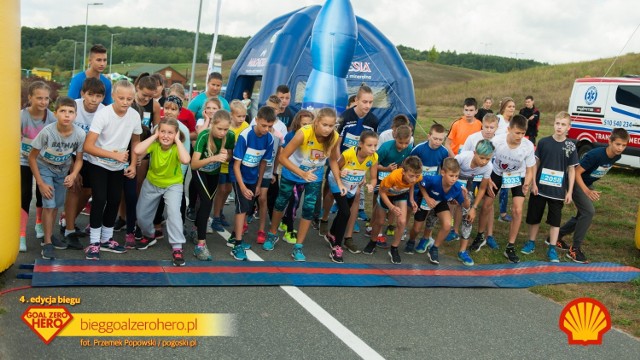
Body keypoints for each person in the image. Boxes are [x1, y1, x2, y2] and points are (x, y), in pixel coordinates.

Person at [266, 108, 342, 262]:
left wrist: (339, 181)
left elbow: (333, 160)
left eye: (331, 126)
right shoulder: (304, 133)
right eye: (325, 125)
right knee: (281, 202)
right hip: (292, 171)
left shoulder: (334, 137)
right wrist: (302, 174)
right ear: (317, 122)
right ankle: (272, 234)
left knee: (308, 208)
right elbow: (283, 157)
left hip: (314, 175)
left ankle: (298, 247)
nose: (328, 129)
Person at [82, 80, 142, 260]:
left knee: (115, 199)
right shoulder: (103, 115)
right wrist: (112, 155)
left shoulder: (134, 115)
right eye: (121, 98)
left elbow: (135, 141)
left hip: (118, 166)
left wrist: (132, 164)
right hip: (98, 163)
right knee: (100, 199)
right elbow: (88, 146)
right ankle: (94, 242)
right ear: (113, 96)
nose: (125, 102)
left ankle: (107, 239)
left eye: (129, 99)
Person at [558, 128, 629, 263]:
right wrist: (587, 191)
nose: (620, 148)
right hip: (573, 181)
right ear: (610, 141)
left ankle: (556, 237)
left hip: (585, 182)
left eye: (624, 145)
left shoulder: (617, 156)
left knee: (582, 214)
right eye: (618, 144)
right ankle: (575, 249)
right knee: (589, 212)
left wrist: (589, 187)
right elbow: (576, 172)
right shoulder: (595, 155)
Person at [28, 97, 86, 259]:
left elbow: (79, 159)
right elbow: (32, 157)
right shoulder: (47, 132)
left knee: (56, 206)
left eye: (71, 112)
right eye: (63, 111)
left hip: (63, 171)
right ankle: (47, 243)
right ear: (55, 113)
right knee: (49, 204)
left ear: (75, 115)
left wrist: (73, 175)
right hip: (45, 168)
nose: (67, 115)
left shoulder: (80, 134)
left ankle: (49, 236)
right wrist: (40, 183)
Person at [133, 118, 190, 266]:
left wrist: (177, 140)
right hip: (152, 182)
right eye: (162, 131)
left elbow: (185, 160)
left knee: (173, 212)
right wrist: (154, 135)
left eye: (170, 133)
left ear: (176, 134)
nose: (165, 136)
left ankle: (177, 247)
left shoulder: (177, 147)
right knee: (141, 214)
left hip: (173, 185)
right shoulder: (155, 144)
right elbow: (137, 150)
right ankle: (149, 234)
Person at [522, 111, 578, 262]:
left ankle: (552, 248)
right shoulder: (544, 142)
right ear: (554, 124)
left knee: (555, 221)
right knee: (534, 217)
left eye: (563, 124)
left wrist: (570, 191)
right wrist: (533, 182)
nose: (559, 127)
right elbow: (536, 164)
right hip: (539, 189)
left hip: (557, 191)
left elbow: (572, 170)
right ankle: (530, 242)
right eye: (557, 123)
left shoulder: (571, 146)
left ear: (569, 127)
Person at [485, 115, 536, 263]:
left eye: (523, 133)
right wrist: (487, 178)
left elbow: (531, 169)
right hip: (497, 172)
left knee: (517, 210)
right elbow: (486, 159)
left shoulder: (527, 146)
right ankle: (485, 236)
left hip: (516, 175)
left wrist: (527, 182)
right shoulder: (497, 141)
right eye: (517, 133)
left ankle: (510, 246)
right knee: (487, 204)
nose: (520, 136)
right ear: (508, 130)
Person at [62, 78, 106, 250]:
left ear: (102, 97)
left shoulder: (104, 111)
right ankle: (69, 231)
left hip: (92, 157)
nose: (94, 99)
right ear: (82, 94)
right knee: (74, 187)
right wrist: (73, 168)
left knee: (87, 191)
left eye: (98, 96)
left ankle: (68, 222)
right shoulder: (74, 108)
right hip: (71, 154)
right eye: (90, 95)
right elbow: (64, 135)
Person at [229, 106, 276, 260]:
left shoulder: (269, 139)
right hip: (239, 177)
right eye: (263, 125)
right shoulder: (245, 136)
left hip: (253, 177)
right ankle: (237, 244)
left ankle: (233, 236)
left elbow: (263, 163)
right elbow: (236, 165)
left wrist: (258, 184)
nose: (266, 129)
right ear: (256, 120)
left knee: (248, 207)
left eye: (270, 126)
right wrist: (242, 187)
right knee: (242, 206)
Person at [324, 131, 378, 262]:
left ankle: (331, 234)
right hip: (338, 182)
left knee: (344, 212)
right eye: (369, 145)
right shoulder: (348, 153)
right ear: (360, 144)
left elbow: (374, 177)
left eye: (375, 145)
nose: (373, 149)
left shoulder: (374, 157)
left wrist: (371, 185)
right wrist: (342, 173)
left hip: (352, 185)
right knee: (345, 212)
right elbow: (336, 167)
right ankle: (336, 247)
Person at [362, 156, 423, 264]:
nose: (414, 178)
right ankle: (373, 241)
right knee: (380, 221)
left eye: (416, 176)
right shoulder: (394, 177)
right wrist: (391, 207)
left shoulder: (417, 176)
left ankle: (394, 248)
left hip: (401, 194)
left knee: (402, 221)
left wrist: (412, 199)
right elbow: (382, 192)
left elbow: (412, 184)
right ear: (403, 172)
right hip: (386, 194)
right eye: (411, 176)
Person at [20, 81, 56, 252]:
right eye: (39, 98)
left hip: (43, 161)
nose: (43, 102)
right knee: (25, 194)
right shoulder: (22, 116)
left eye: (46, 98)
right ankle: (21, 235)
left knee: (43, 193)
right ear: (30, 98)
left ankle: (39, 224)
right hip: (23, 160)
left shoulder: (51, 118)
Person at [404, 123, 451, 254]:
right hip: (415, 185)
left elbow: (444, 170)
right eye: (435, 138)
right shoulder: (419, 149)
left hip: (431, 189)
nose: (437, 141)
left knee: (430, 215)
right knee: (410, 208)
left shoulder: (444, 152)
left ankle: (425, 238)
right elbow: (408, 164)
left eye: (441, 139)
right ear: (429, 136)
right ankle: (406, 233)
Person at [363, 125, 413, 247]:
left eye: (406, 143)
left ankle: (377, 227)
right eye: (400, 143)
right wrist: (386, 168)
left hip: (395, 179)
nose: (403, 146)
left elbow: (404, 164)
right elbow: (373, 164)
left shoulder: (408, 148)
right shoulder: (386, 147)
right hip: (381, 178)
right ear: (395, 137)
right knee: (380, 205)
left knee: (391, 204)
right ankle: (376, 231)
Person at [416, 158, 472, 265]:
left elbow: (465, 206)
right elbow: (420, 181)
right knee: (417, 227)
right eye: (451, 176)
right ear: (443, 172)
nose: (454, 179)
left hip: (441, 202)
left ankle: (434, 248)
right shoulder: (433, 180)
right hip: (426, 199)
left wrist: (465, 197)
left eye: (456, 176)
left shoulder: (457, 187)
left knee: (447, 225)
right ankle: (421, 239)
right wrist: (427, 197)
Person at [450, 140, 495, 265]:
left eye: (488, 159)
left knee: (468, 216)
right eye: (482, 158)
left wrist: (474, 207)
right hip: (452, 181)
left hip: (468, 185)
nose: (484, 162)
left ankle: (462, 251)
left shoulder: (488, 166)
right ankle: (427, 239)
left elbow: (482, 188)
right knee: (437, 211)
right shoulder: (462, 157)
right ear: (474, 153)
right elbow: (447, 172)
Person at [210, 100, 249, 232]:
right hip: (223, 164)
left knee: (227, 190)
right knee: (221, 190)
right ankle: (215, 217)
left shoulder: (246, 126)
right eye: (239, 116)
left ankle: (220, 213)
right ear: (231, 115)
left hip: (235, 165)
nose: (242, 119)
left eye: (244, 116)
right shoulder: (227, 128)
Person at [278, 110, 314, 244]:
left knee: (296, 201)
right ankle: (289, 230)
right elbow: (282, 154)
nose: (306, 126)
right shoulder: (291, 135)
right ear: (298, 122)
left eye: (309, 124)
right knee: (289, 198)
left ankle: (285, 221)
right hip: (290, 173)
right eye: (304, 123)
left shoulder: (313, 137)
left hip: (303, 174)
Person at [187, 97, 222, 222]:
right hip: (200, 159)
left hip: (213, 162)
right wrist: (207, 119)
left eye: (214, 108)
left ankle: (202, 216)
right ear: (204, 110)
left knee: (209, 191)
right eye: (208, 108)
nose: (211, 110)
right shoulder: (201, 121)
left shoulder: (221, 124)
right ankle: (191, 206)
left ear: (219, 110)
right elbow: (201, 133)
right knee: (195, 184)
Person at [495, 97, 517, 223]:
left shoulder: (513, 122)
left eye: (513, 106)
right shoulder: (498, 119)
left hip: (508, 157)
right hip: (494, 156)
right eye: (509, 106)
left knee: (505, 185)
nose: (512, 109)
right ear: (503, 107)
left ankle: (502, 213)